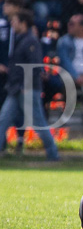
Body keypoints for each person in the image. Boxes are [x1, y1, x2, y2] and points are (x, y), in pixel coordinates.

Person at [0, 10, 60, 160]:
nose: (12, 24)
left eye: (15, 21)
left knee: (39, 122)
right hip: (16, 89)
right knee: (3, 120)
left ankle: (53, 155)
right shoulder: (20, 39)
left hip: (27, 89)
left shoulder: (30, 41)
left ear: (23, 23)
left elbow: (35, 66)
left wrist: (24, 86)